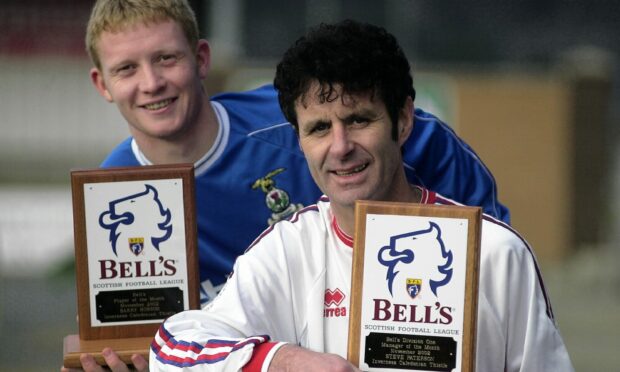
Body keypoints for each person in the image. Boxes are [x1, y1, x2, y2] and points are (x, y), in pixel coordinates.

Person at [69, 0, 509, 369]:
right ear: (101, 84)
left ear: (201, 59)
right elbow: (155, 335)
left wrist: (487, 259)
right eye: (126, 68)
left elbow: (414, 137)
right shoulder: (111, 194)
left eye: (166, 58)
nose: (151, 83)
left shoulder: (294, 120)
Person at [148, 20, 574, 371]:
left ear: (403, 120)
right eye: (318, 128)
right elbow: (173, 349)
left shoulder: (495, 252)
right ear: (298, 140)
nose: (340, 146)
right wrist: (284, 360)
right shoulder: (290, 249)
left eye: (358, 120)